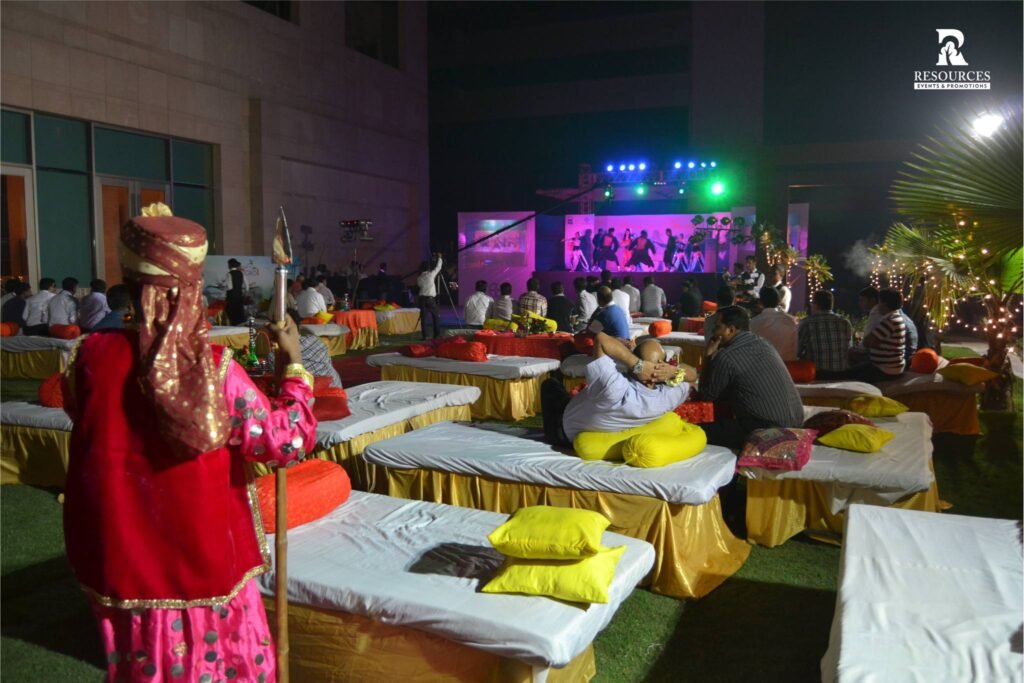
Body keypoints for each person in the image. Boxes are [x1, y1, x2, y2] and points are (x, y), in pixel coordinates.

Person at [62, 210, 316, 683]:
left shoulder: (85, 358)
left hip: (120, 558)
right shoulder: (215, 372)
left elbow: (88, 419)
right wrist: (295, 366)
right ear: (192, 289)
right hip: (205, 559)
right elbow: (286, 440)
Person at [541, 331, 693, 447]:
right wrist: (673, 371)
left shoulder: (614, 388)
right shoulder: (668, 397)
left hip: (562, 430)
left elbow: (601, 339)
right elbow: (693, 375)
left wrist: (637, 365)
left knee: (550, 385)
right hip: (586, 421)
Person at [699, 305, 804, 450]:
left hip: (766, 430)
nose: (713, 332)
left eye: (717, 327)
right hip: (797, 423)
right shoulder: (765, 344)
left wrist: (708, 356)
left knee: (696, 432)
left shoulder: (726, 356)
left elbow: (707, 394)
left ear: (730, 330)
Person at [267, 310, 344, 388]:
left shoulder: (275, 356)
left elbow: (280, 384)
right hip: (335, 385)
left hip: (310, 392)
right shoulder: (314, 340)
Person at [844, 288, 906, 383]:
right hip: (890, 366)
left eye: (879, 302)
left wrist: (870, 341)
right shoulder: (896, 317)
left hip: (885, 369)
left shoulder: (890, 321)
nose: (877, 306)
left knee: (848, 374)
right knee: (852, 371)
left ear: (884, 304)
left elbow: (868, 342)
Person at [797, 289, 852, 376]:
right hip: (842, 374)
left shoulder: (806, 323)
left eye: (812, 303)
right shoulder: (845, 322)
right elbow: (848, 349)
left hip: (817, 374)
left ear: (816, 305)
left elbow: (797, 351)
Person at [749, 287, 798, 361]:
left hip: (762, 365)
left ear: (761, 302)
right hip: (787, 365)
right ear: (779, 301)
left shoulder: (753, 323)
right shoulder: (791, 322)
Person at [416, 254, 444, 340]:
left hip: (422, 299)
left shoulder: (419, 277)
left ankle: (425, 336)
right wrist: (440, 258)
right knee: (436, 316)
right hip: (430, 299)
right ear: (428, 267)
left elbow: (419, 286)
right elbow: (438, 267)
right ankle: (437, 335)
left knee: (424, 318)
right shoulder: (431, 274)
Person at [224, 258, 248, 325]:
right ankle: (240, 325)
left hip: (231, 296)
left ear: (229, 265)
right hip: (239, 295)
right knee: (239, 311)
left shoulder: (229, 274)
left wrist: (223, 288)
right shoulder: (241, 273)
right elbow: (247, 286)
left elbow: (230, 287)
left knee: (231, 312)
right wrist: (245, 292)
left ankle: (233, 326)